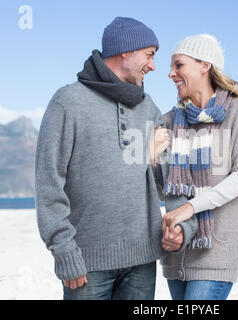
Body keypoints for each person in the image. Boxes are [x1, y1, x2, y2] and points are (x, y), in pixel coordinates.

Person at [34, 16, 176, 300]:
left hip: (142, 261)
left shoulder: (148, 107)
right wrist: (64, 251)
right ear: (126, 51)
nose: (153, 65)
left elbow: (164, 183)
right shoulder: (68, 102)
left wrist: (155, 157)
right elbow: (49, 183)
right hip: (87, 263)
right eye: (149, 55)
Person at [159, 34, 238, 300]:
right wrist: (151, 156)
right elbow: (155, 186)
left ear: (204, 65)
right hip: (177, 256)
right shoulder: (168, 121)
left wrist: (190, 207)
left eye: (178, 65)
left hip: (216, 256)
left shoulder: (237, 111)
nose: (171, 74)